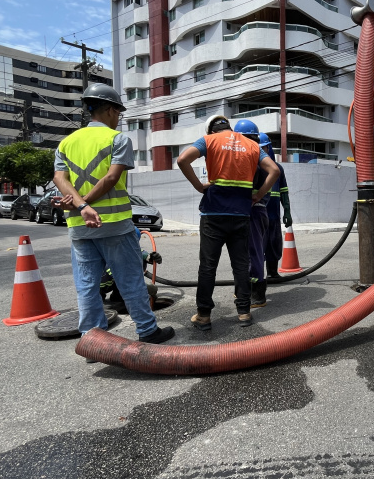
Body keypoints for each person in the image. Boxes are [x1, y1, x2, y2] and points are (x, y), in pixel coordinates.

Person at [53, 83, 175, 348]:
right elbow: (111, 177)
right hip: (114, 225)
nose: (118, 117)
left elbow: (59, 178)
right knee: (129, 279)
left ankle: (91, 339)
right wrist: (86, 203)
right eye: (118, 112)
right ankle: (147, 330)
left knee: (87, 285)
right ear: (109, 110)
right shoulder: (118, 139)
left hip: (79, 226)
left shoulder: (66, 143)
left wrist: (80, 207)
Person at [176, 115, 279, 330]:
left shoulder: (208, 141)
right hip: (241, 214)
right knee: (241, 265)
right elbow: (274, 170)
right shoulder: (251, 145)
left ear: (211, 130)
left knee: (207, 266)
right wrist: (259, 195)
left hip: (213, 214)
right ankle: (244, 313)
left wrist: (198, 186)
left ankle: (203, 316)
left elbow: (182, 160)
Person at [235, 120, 270, 309]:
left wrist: (256, 195)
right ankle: (247, 288)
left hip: (254, 212)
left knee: (253, 252)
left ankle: (257, 294)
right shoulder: (258, 156)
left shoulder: (254, 157)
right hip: (257, 211)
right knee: (249, 252)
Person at [259, 133, 293, 279]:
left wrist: (287, 212)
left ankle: (272, 273)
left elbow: (284, 191)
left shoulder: (277, 168)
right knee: (256, 246)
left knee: (273, 244)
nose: (261, 151)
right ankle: (255, 276)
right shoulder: (251, 167)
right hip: (256, 215)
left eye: (263, 148)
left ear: (268, 148)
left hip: (273, 216)